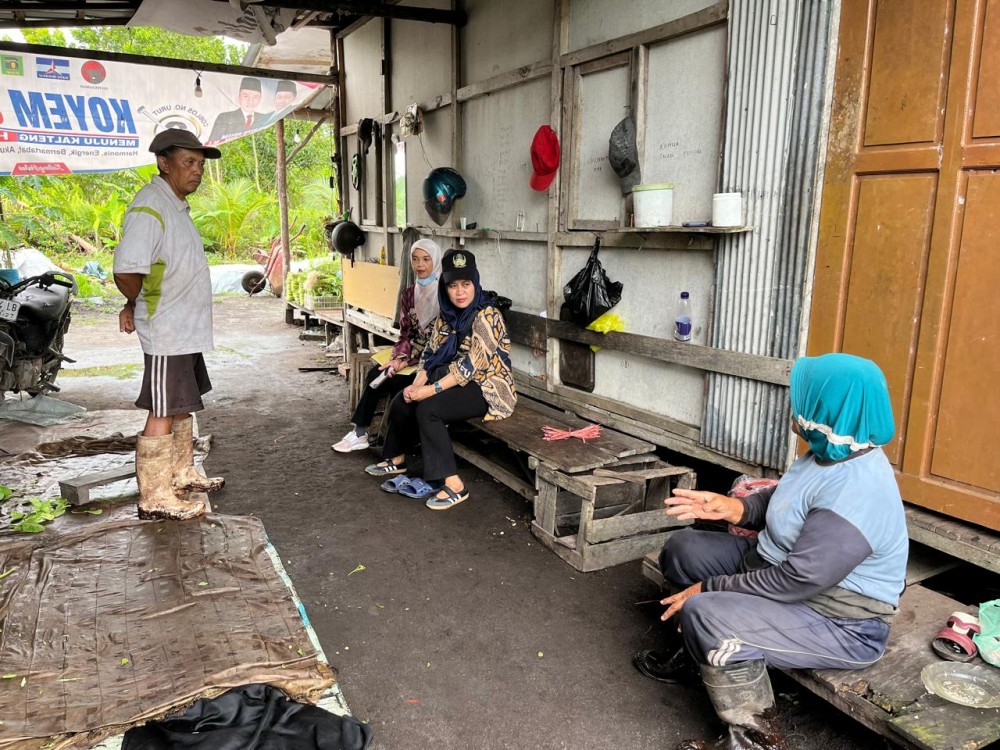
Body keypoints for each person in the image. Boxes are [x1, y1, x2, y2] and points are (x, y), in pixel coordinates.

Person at [634, 353, 907, 749]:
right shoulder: (830, 450)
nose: (794, 408)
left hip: (838, 620)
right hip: (778, 568)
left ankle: (755, 739)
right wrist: (740, 508)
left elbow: (798, 579)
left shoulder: (858, 492)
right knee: (683, 548)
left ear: (828, 407)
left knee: (707, 613)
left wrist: (708, 589)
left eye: (803, 399)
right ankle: (700, 658)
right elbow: (787, 500)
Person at [113, 129, 225, 521]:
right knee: (162, 409)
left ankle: (181, 472)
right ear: (164, 162)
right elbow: (127, 269)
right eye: (189, 162)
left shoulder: (175, 204)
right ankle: (155, 495)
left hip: (185, 329)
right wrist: (135, 302)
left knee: (181, 405)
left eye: (201, 164)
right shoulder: (150, 206)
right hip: (167, 330)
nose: (197, 171)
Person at [365, 249, 516, 510]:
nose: (460, 292)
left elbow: (469, 368)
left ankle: (455, 484)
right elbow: (430, 354)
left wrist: (429, 391)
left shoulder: (488, 316)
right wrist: (417, 383)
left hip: (488, 387)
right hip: (451, 379)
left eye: (466, 285)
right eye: (453, 286)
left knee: (429, 409)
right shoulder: (446, 316)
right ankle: (397, 457)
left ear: (475, 283)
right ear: (445, 287)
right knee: (404, 397)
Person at [332, 238, 443, 452]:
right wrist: (398, 358)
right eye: (415, 259)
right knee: (378, 374)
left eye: (426, 259)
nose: (420, 265)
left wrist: (407, 362)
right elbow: (405, 333)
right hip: (411, 355)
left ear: (436, 261)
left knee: (401, 386)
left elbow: (441, 341)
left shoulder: (446, 295)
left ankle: (397, 448)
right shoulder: (410, 294)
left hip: (435, 360)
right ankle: (360, 431)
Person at [207, 77, 263, 143]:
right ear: (239, 96)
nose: (250, 101)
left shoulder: (265, 118)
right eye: (246, 96)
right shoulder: (224, 118)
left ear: (260, 98)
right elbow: (212, 143)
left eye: (255, 97)